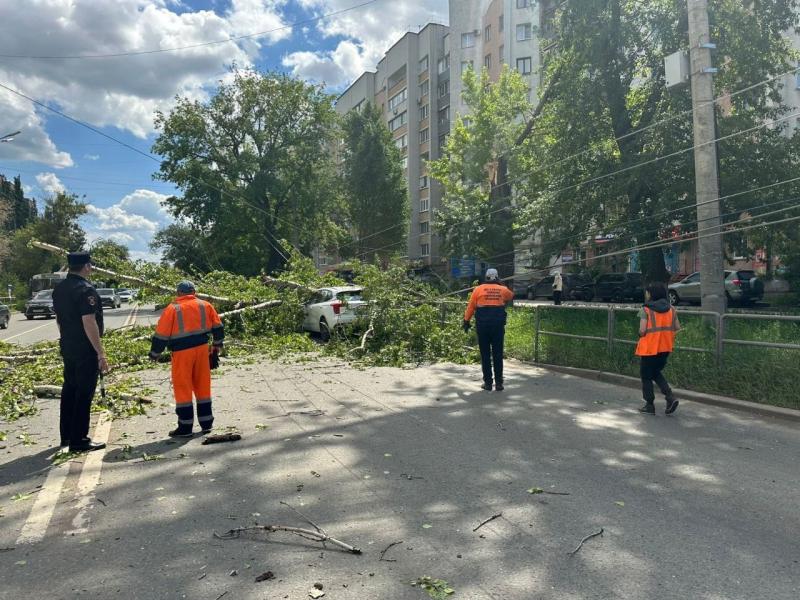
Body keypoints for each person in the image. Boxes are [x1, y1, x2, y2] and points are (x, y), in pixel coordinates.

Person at [149, 281, 224, 437]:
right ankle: (206, 423)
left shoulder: (173, 309)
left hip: (182, 353)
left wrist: (155, 354)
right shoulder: (205, 305)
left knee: (183, 388)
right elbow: (218, 327)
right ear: (194, 291)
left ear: (178, 293)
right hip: (202, 350)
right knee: (203, 386)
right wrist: (216, 346)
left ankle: (185, 427)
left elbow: (161, 335)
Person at [52, 251, 109, 452]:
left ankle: (66, 435)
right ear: (86, 266)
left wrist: (66, 339)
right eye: (90, 265)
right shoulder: (85, 290)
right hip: (85, 348)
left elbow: (59, 320)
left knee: (70, 390)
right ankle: (79, 440)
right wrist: (100, 353)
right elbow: (89, 321)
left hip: (68, 346)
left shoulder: (59, 289)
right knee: (84, 393)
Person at [463, 268, 515, 391]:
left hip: (483, 327)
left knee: (485, 355)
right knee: (497, 354)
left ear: (485, 277)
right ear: (497, 277)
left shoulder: (478, 289)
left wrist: (466, 321)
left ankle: (487, 383)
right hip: (497, 327)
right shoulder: (503, 290)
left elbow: (471, 307)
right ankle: (499, 384)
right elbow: (511, 296)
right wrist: (500, 283)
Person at [635, 282, 681, 415]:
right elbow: (677, 327)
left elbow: (642, 330)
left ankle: (649, 405)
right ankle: (670, 397)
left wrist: (640, 334)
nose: (646, 294)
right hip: (665, 348)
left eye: (648, 292)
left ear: (651, 294)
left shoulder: (645, 310)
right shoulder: (671, 309)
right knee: (655, 372)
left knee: (646, 376)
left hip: (649, 348)